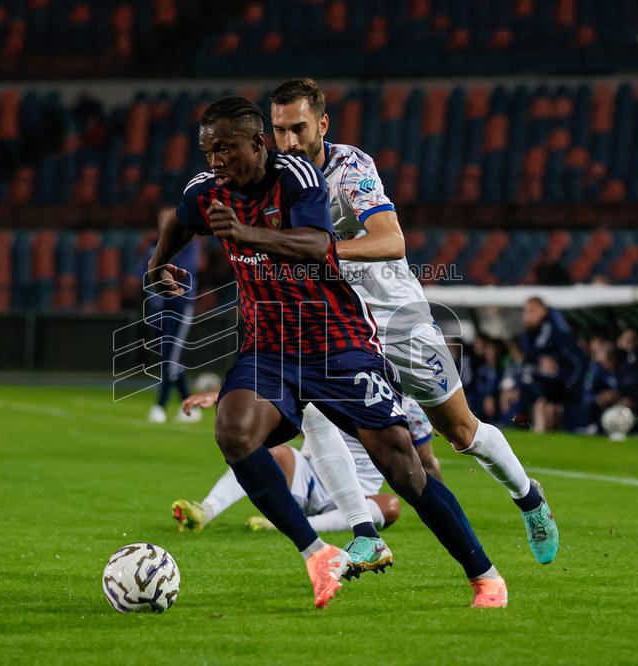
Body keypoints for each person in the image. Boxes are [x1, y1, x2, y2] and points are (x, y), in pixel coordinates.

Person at [148, 96, 506, 608]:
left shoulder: (297, 177)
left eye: (226, 149)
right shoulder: (208, 192)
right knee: (234, 431)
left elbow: (318, 245)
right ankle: (317, 553)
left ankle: (484, 574)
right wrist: (161, 262)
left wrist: (246, 233)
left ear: (257, 144)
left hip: (337, 343)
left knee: (403, 468)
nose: (215, 161)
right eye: (208, 151)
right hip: (268, 347)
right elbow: (181, 219)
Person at [269, 78, 558, 566]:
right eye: (279, 130)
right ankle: (365, 531)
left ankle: (528, 497)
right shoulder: (273, 179)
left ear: (322, 123)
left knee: (461, 433)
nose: (290, 141)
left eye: (298, 128)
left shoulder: (350, 167)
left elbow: (391, 240)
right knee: (314, 414)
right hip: (337, 327)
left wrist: (324, 251)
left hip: (397, 320)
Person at [171, 392, 434, 536]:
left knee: (390, 506)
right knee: (268, 451)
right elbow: (271, 389)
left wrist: (439, 511)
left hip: (359, 495)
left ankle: (295, 525)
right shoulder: (332, 377)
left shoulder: (408, 406)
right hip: (309, 477)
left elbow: (426, 461)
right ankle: (205, 510)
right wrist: (223, 395)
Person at [143, 206, 202, 424]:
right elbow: (145, 269)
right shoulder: (153, 244)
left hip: (179, 306)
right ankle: (189, 403)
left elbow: (183, 271)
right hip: (158, 306)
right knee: (167, 358)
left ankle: (160, 406)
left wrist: (158, 268)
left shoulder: (189, 244)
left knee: (170, 359)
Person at [520, 297, 587, 432]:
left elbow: (577, 363)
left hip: (569, 385)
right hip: (552, 384)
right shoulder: (529, 334)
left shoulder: (556, 330)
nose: (527, 315)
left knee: (546, 406)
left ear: (544, 311)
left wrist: (569, 387)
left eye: (532, 311)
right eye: (525, 311)